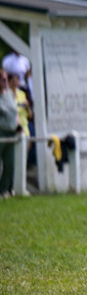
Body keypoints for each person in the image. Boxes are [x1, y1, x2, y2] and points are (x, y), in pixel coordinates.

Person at [0, 71, 24, 199]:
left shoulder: (10, 94)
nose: (5, 82)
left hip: (11, 132)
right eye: (3, 79)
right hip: (1, 132)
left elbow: (16, 112)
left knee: (10, 164)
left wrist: (18, 126)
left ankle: (3, 190)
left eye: (5, 79)